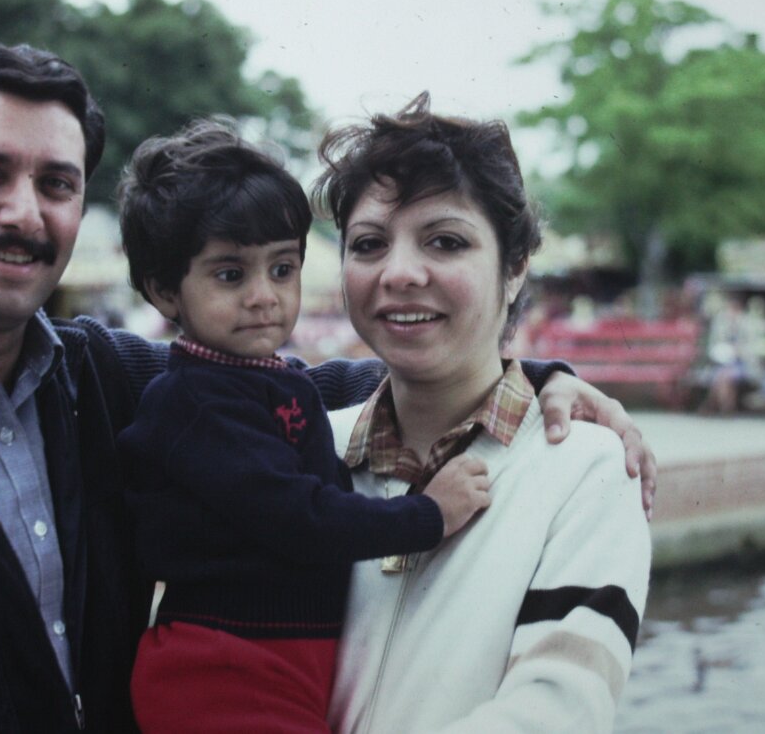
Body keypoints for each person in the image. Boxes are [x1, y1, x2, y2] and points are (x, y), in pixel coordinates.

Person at [0, 41, 653, 734]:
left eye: (57, 183)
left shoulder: (106, 378)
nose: (23, 211)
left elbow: (311, 385)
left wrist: (530, 376)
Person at [116, 122, 492, 732]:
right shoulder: (191, 404)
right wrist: (429, 515)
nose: (264, 296)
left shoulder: (271, 381)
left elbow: (380, 386)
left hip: (279, 659)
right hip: (220, 669)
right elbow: (299, 517)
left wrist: (536, 376)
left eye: (283, 268)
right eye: (230, 275)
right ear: (164, 291)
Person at [312, 93, 652, 732]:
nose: (400, 272)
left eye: (445, 241)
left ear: (516, 267)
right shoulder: (305, 448)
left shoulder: (588, 468)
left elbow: (557, 709)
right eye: (369, 244)